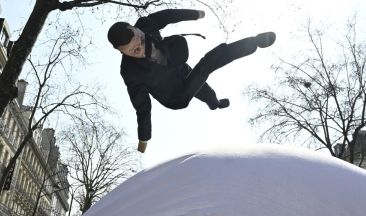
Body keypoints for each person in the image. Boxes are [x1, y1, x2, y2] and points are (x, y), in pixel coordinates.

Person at [107, 9, 275, 152]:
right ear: (123, 53)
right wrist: (143, 139)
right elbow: (142, 105)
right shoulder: (130, 71)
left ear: (136, 28)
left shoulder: (146, 24)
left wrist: (196, 14)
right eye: (136, 50)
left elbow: (169, 15)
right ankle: (254, 43)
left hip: (180, 69)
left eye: (142, 39)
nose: (143, 48)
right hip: (175, 96)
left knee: (207, 91)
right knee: (206, 65)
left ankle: (214, 104)